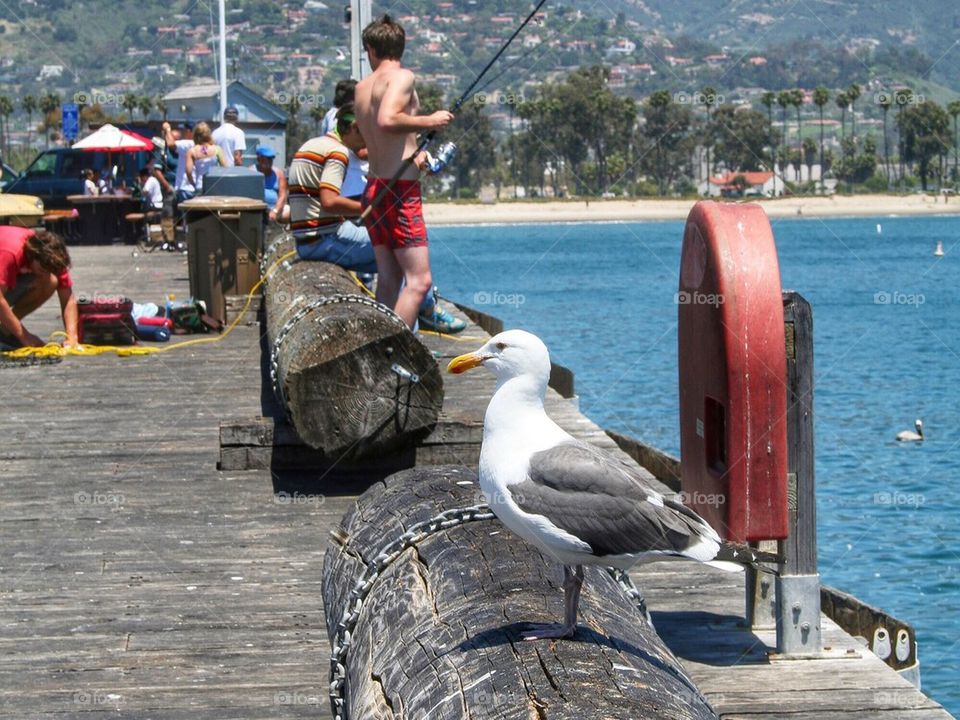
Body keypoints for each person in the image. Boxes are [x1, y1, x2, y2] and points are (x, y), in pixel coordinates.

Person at [354, 14, 463, 333]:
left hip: (374, 189)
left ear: (371, 49)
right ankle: (390, 350)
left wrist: (415, 153)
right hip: (399, 192)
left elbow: (378, 134)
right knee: (419, 281)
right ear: (400, 47)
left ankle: (374, 347)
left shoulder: (362, 88)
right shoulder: (401, 78)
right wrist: (431, 120)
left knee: (389, 279)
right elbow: (388, 120)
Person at [287, 103, 377, 273]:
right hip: (324, 241)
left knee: (387, 265)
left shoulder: (313, 144)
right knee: (399, 249)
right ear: (354, 128)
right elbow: (329, 201)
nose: (367, 143)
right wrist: (369, 209)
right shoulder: (338, 152)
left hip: (305, 243)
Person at [0, 227, 78, 348]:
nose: (45, 274)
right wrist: (24, 336)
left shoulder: (53, 256)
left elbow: (68, 298)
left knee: (50, 281)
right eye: (42, 269)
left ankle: (5, 330)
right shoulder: (10, 253)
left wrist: (72, 338)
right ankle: (11, 328)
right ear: (32, 255)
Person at [321, 79, 368, 201]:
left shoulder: (329, 115)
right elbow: (360, 152)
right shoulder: (347, 118)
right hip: (353, 182)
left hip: (340, 182)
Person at [185, 121, 225, 195]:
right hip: (214, 186)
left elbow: (188, 171)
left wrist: (193, 183)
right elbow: (225, 168)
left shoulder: (192, 151)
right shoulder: (217, 149)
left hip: (200, 186)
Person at [251, 146, 288, 223]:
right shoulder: (251, 172)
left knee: (288, 212)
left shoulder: (278, 173)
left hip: (274, 209)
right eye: (266, 159)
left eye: (271, 159)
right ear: (259, 159)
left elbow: (282, 195)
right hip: (256, 209)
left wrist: (275, 210)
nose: (269, 162)